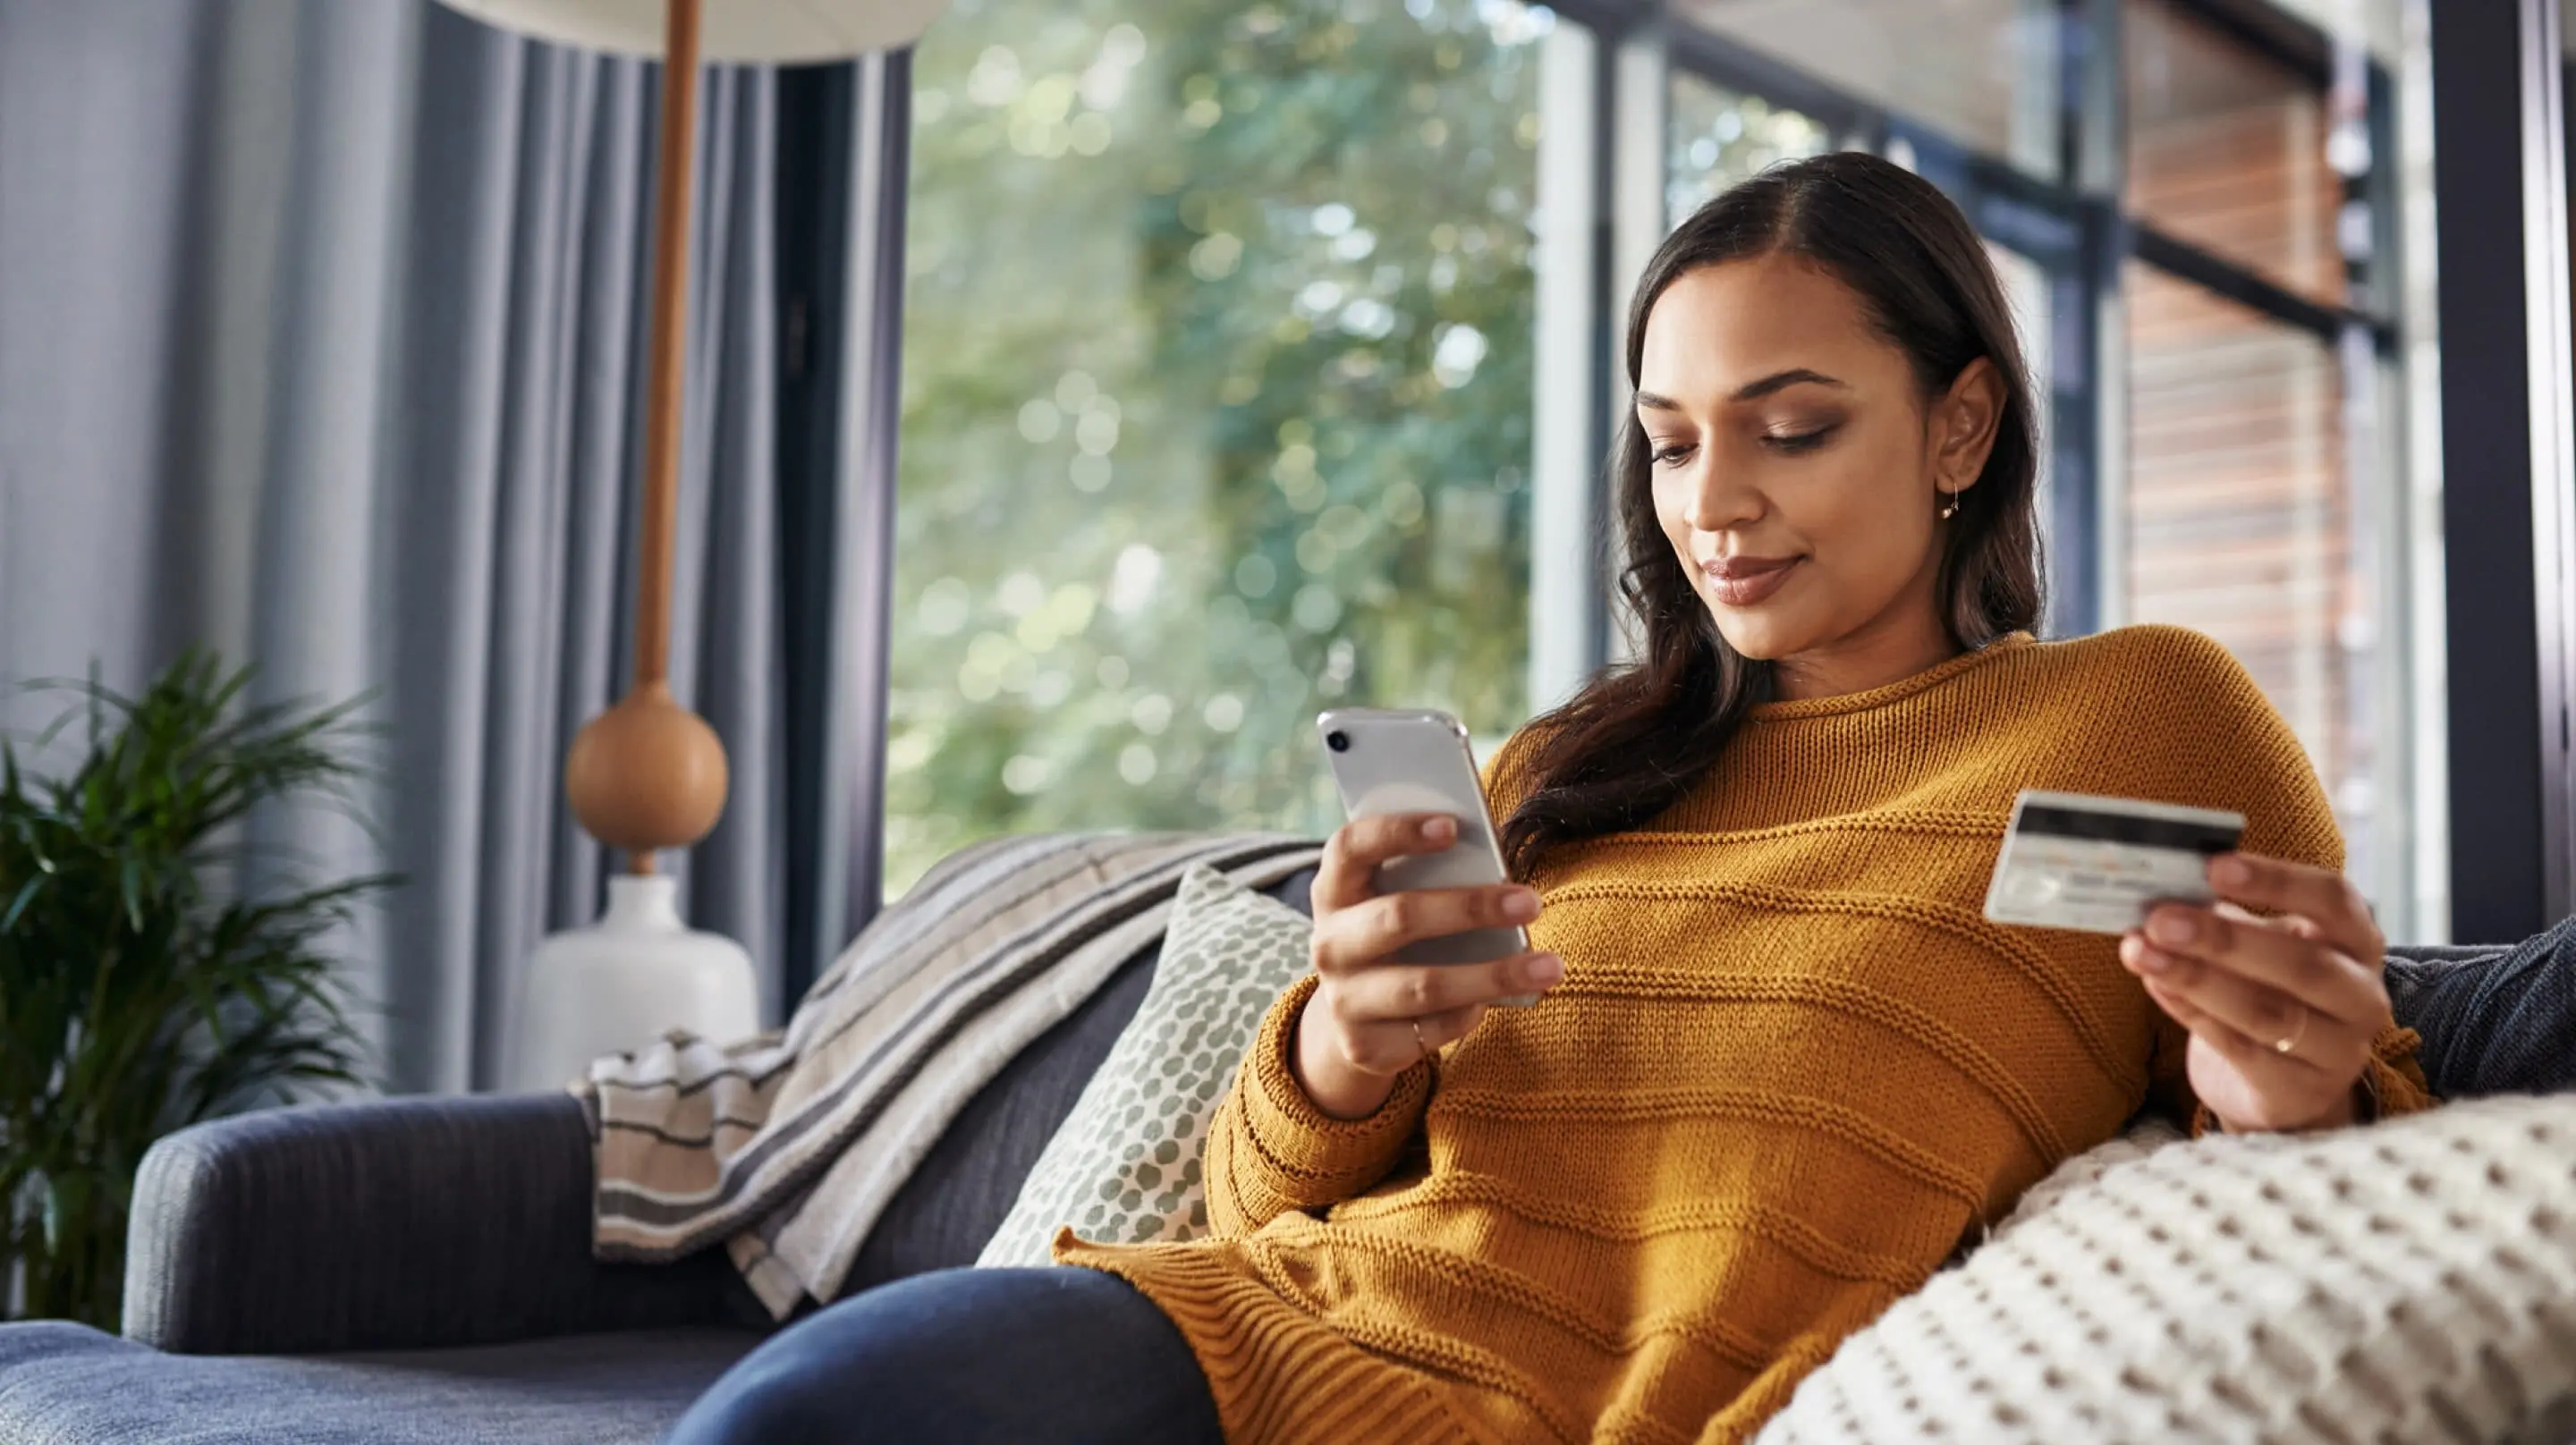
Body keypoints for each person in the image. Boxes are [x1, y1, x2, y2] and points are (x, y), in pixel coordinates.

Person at [666, 151, 2435, 1445]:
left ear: (1961, 428)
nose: (1713, 500)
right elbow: (1245, 1212)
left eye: (1791, 425)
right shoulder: (1577, 764)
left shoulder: (2142, 713)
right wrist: (1342, 1048)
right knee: (791, 1424)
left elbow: (2337, 1171)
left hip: (1666, 1406)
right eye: (1671, 439)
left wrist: (2277, 1091)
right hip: (1276, 1341)